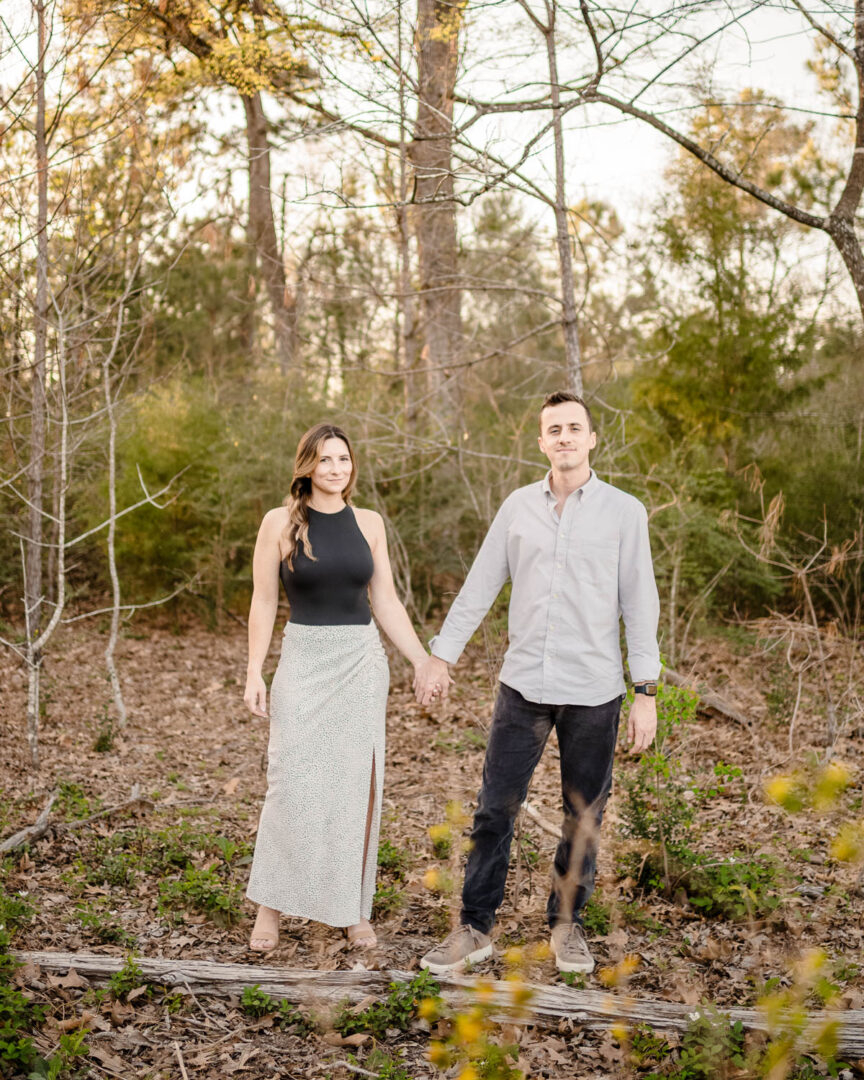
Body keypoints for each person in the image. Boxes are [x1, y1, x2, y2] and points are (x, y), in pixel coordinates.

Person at [413, 390, 660, 975]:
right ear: (541, 441)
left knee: (584, 817)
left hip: (595, 691)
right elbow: (479, 586)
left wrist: (645, 690)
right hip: (522, 686)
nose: (566, 437)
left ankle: (566, 926)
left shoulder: (625, 512)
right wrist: (442, 655)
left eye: (576, 427)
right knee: (494, 809)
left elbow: (639, 605)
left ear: (593, 438)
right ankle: (475, 928)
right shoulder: (518, 507)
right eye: (555, 430)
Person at [243, 422, 443, 952]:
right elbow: (264, 601)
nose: (337, 469)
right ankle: (271, 905)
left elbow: (388, 601)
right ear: (307, 465)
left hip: (360, 661)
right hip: (304, 659)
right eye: (326, 460)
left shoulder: (370, 522)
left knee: (357, 789)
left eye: (344, 460)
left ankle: (353, 908)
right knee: (291, 783)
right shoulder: (279, 523)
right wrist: (253, 671)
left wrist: (422, 661)